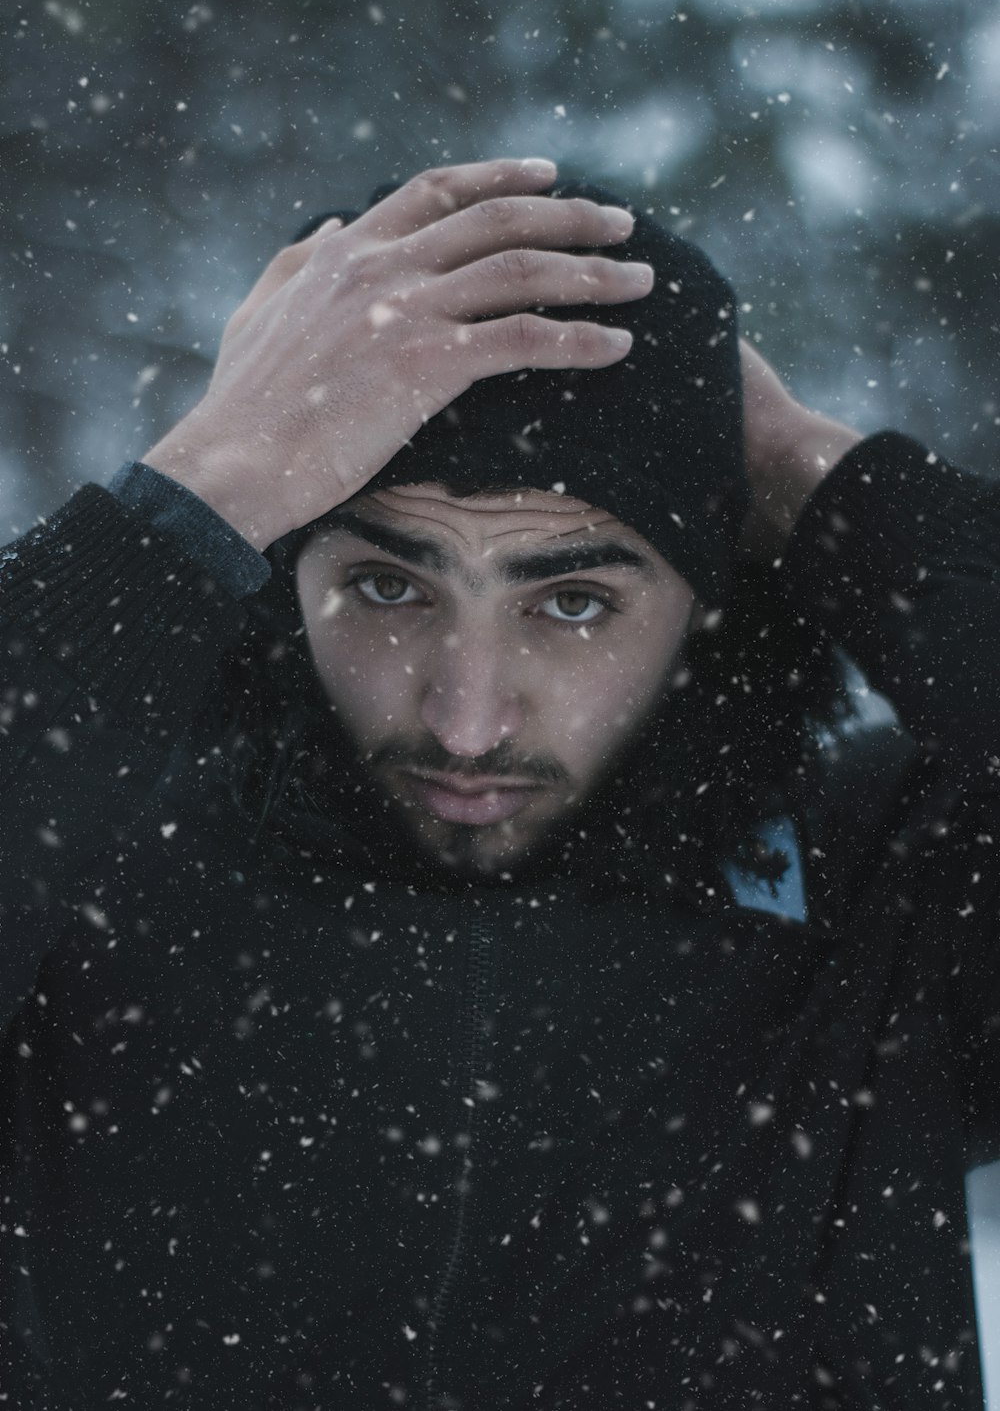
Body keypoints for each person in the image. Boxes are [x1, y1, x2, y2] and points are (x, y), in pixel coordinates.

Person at [0, 157, 996, 1411]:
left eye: (572, 600)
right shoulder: (85, 872)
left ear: (712, 599)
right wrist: (200, 485)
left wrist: (828, 483)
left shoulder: (883, 900)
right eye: (386, 587)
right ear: (276, 561)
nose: (466, 719)